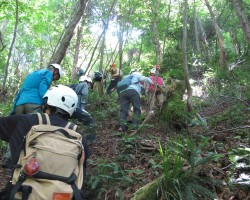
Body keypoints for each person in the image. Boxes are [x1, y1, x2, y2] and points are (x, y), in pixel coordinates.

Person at [0, 85, 88, 199]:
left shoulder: (25, 121)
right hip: (62, 195)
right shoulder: (78, 136)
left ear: (47, 101)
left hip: (22, 192)